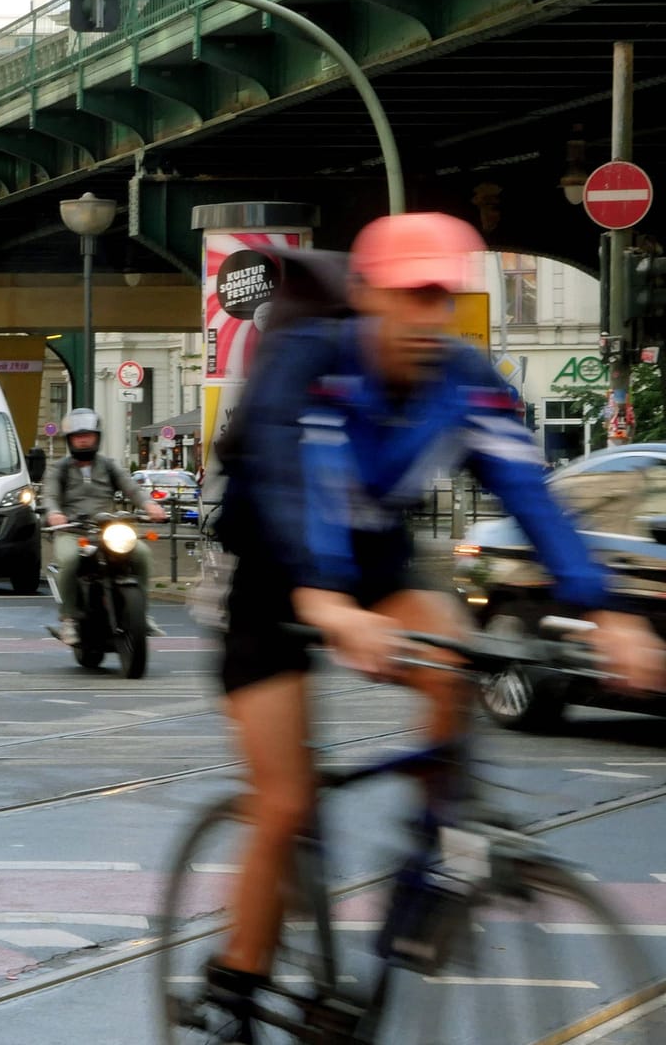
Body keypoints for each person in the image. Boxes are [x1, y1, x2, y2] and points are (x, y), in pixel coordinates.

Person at [199, 212, 666, 1033]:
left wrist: (606, 609)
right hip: (277, 575)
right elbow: (279, 475)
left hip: (374, 564)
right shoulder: (313, 365)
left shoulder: (463, 379)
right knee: (284, 800)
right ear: (370, 295)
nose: (431, 316)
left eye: (443, 297)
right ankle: (231, 985)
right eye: (414, 295)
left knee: (451, 653)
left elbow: (531, 497)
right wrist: (319, 599)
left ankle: (426, 861)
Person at [41, 408, 166, 645]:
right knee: (68, 561)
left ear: (97, 437)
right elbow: (50, 495)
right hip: (73, 531)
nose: (83, 439)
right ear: (70, 440)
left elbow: (132, 488)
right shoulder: (60, 469)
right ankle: (68, 620)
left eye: (88, 434)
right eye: (78, 436)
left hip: (106, 528)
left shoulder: (109, 465)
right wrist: (55, 512)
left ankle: (142, 613)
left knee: (141, 553)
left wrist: (150, 505)